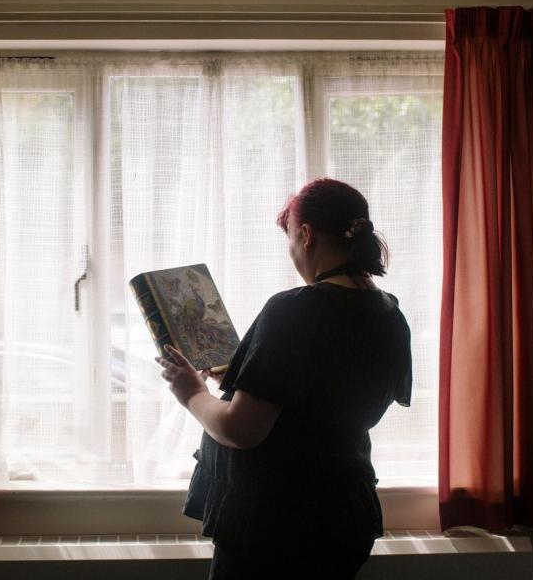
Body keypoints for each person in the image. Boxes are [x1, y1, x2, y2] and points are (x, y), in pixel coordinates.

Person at [155, 178, 412, 579]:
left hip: (278, 525)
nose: (291, 251)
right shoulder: (388, 313)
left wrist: (191, 392)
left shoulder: (293, 310)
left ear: (306, 234)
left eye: (290, 238)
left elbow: (241, 429)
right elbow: (324, 393)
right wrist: (248, 371)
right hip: (344, 516)